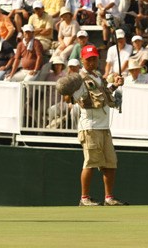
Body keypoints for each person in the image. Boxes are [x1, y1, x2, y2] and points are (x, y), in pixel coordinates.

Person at [57, 44, 125, 206]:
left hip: (104, 127)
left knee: (110, 163)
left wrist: (115, 85)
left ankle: (109, 198)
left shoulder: (98, 76)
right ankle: (84, 198)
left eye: (94, 58)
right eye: (88, 59)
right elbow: (72, 97)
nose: (92, 62)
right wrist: (69, 94)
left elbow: (104, 93)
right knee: (90, 163)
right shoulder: (80, 80)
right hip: (90, 127)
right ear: (82, 60)